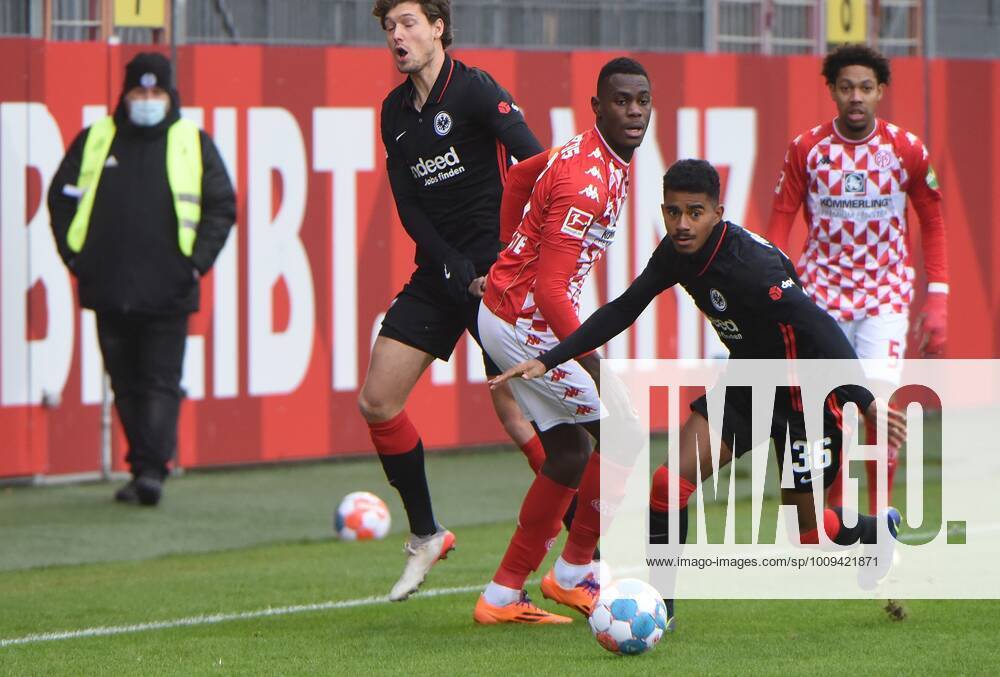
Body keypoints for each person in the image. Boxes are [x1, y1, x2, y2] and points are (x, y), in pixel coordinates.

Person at [492, 159, 907, 624]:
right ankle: (660, 611)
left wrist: (867, 401)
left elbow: (819, 328)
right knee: (669, 484)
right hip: (747, 382)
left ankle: (876, 531)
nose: (682, 224)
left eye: (694, 212)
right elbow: (625, 307)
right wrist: (550, 357)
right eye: (672, 212)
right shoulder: (675, 253)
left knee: (807, 535)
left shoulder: (756, 266)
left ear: (717, 213)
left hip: (804, 397)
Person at [365, 0, 545, 601]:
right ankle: (426, 534)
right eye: (389, 27)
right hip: (442, 273)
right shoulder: (393, 112)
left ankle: (585, 557)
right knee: (378, 399)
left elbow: (537, 164)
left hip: (496, 278)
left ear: (438, 28)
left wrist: (512, 256)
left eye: (409, 23)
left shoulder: (474, 91)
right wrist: (450, 264)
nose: (398, 36)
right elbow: (409, 206)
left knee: (522, 418)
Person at [472, 57, 652, 625]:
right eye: (621, 101)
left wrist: (504, 251)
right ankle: (575, 572)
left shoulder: (597, 154)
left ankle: (502, 597)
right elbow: (551, 289)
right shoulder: (585, 181)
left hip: (511, 313)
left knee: (573, 451)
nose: (634, 111)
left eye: (642, 100)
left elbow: (522, 174)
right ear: (596, 107)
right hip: (526, 322)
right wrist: (593, 363)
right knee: (623, 432)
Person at [48, 52, 236, 506]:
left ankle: (153, 469)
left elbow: (220, 205)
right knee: (125, 384)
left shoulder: (192, 140)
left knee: (159, 381)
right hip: (108, 286)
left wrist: (195, 264)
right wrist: (77, 260)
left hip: (169, 288)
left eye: (156, 92)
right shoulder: (96, 139)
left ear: (169, 95)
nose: (147, 100)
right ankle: (142, 468)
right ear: (125, 95)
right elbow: (61, 198)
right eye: (139, 92)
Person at [766, 45, 947, 513]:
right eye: (846, 87)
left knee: (879, 408)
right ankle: (836, 518)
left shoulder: (904, 150)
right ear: (831, 90)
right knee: (832, 411)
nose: (856, 97)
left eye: (866, 87)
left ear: (880, 92)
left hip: (884, 296)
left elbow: (933, 219)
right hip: (822, 295)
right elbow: (781, 220)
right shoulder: (807, 149)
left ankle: (880, 517)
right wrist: (772, 290)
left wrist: (939, 297)